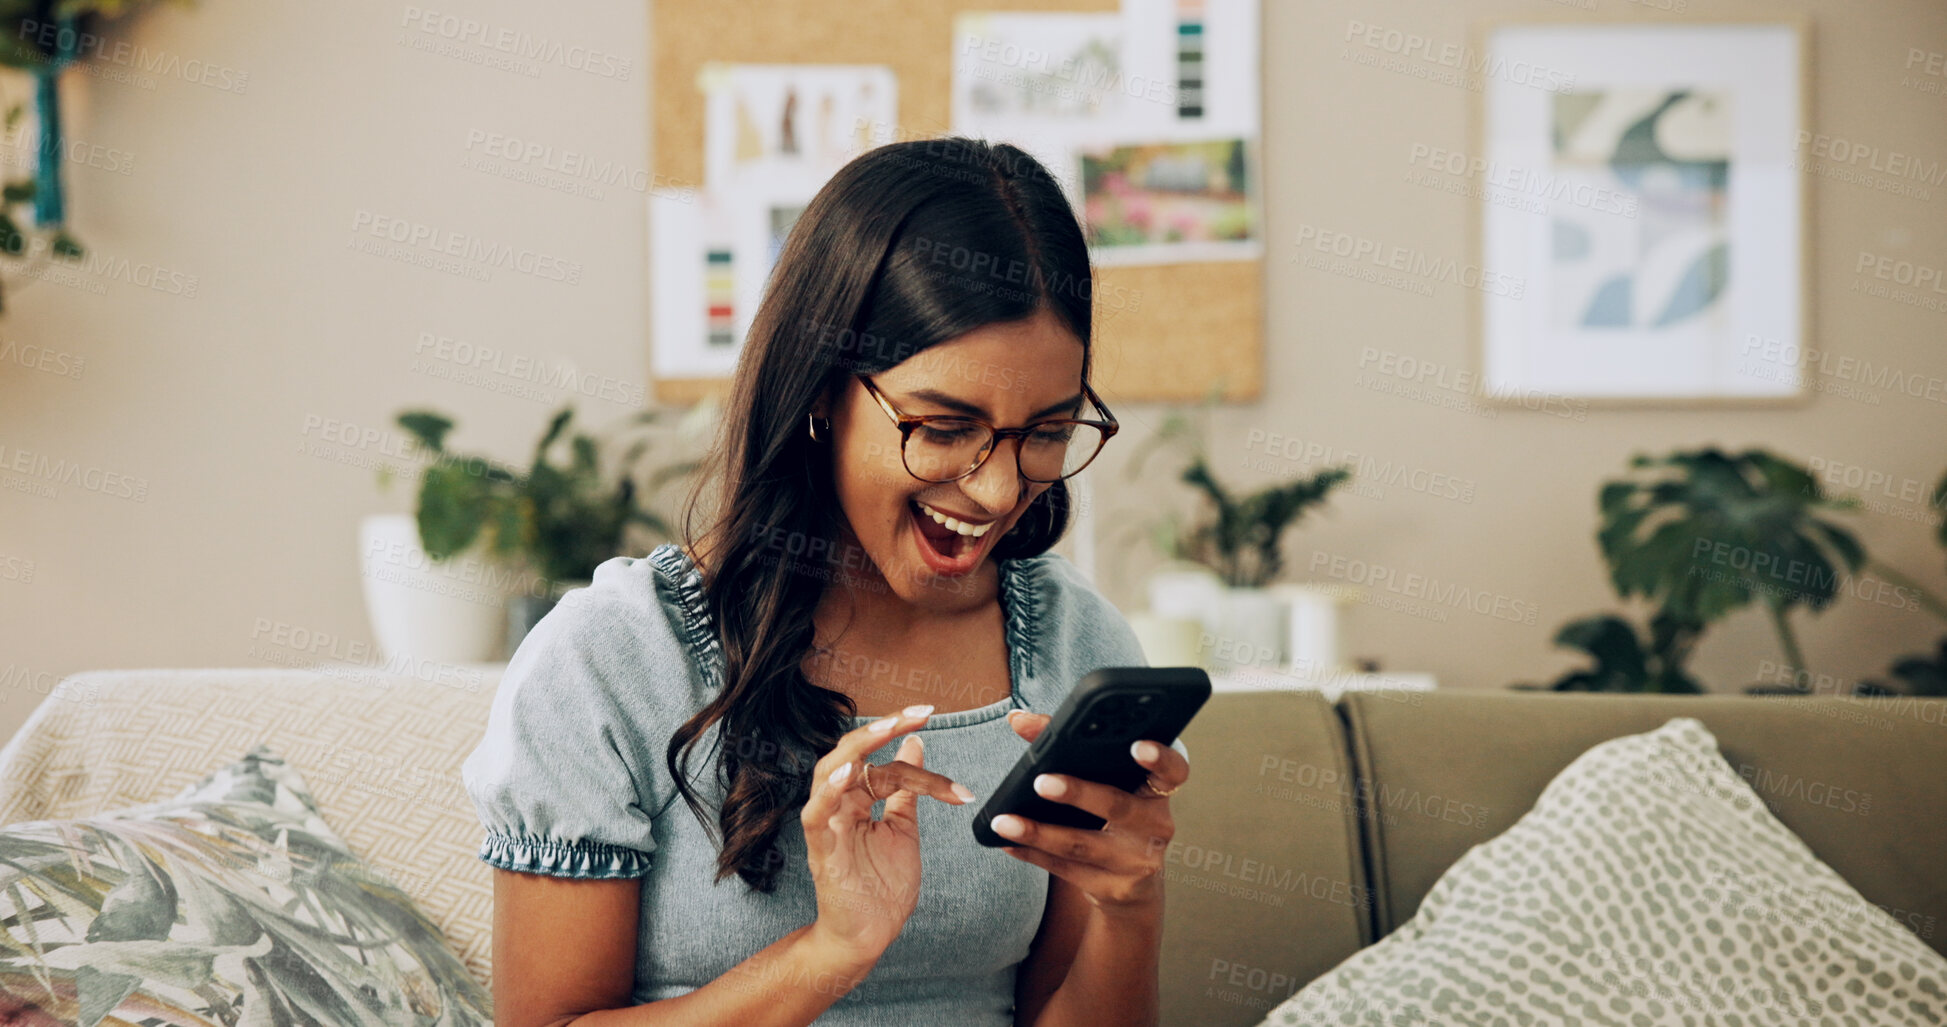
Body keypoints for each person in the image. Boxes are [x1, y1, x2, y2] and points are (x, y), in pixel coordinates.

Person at [462, 136, 1191, 1027]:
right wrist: (831, 951)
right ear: (821, 391)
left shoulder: (1075, 645)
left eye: (1045, 429)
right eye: (942, 424)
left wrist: (1130, 905)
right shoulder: (611, 659)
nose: (999, 488)